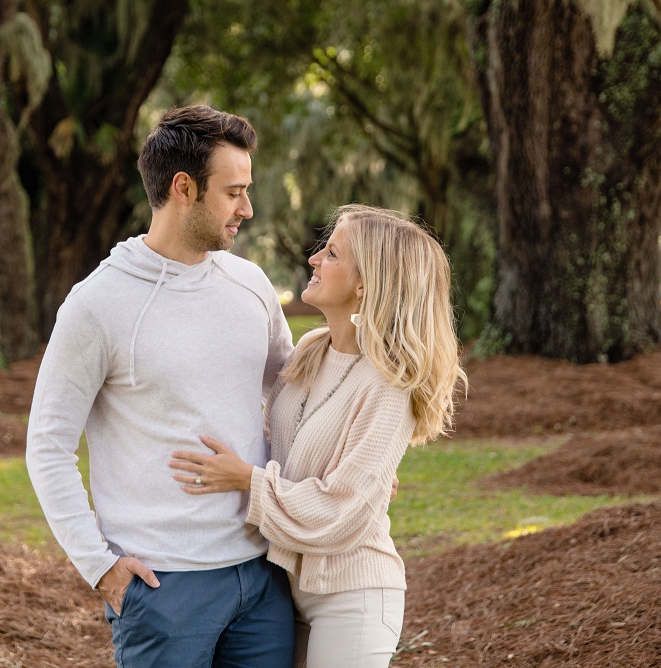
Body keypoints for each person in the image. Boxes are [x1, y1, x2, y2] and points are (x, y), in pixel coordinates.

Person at [26, 105, 295, 667]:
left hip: (263, 574)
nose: (248, 208)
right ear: (183, 188)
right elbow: (48, 445)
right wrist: (99, 565)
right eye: (234, 192)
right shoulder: (98, 304)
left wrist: (353, 470)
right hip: (165, 588)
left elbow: (296, 396)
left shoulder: (250, 284)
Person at [169, 204, 467, 668]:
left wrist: (248, 480)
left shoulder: (389, 385)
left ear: (365, 285)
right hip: (287, 588)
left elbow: (340, 510)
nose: (313, 260)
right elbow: (280, 431)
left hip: (352, 596)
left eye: (331, 253)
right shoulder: (312, 349)